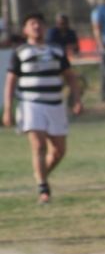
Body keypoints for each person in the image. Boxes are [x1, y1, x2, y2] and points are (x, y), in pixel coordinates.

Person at [2, 12, 83, 204]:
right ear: (25, 29)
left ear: (44, 27)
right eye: (32, 24)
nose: (36, 27)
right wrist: (7, 109)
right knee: (38, 145)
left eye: (39, 23)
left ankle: (41, 175)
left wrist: (77, 99)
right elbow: (11, 81)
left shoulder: (56, 50)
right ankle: (43, 190)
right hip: (31, 104)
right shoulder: (21, 51)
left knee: (59, 151)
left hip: (55, 103)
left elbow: (70, 75)